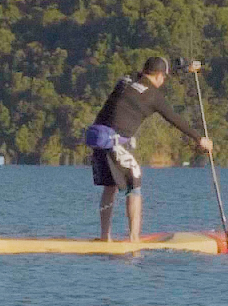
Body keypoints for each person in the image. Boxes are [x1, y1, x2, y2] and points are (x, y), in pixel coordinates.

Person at [84, 56, 213, 242]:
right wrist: (200, 139)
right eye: (164, 77)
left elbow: (153, 71)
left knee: (110, 187)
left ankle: (105, 237)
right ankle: (134, 238)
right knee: (134, 185)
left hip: (96, 139)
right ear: (160, 76)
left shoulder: (126, 80)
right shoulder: (154, 96)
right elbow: (175, 119)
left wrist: (184, 69)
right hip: (114, 143)